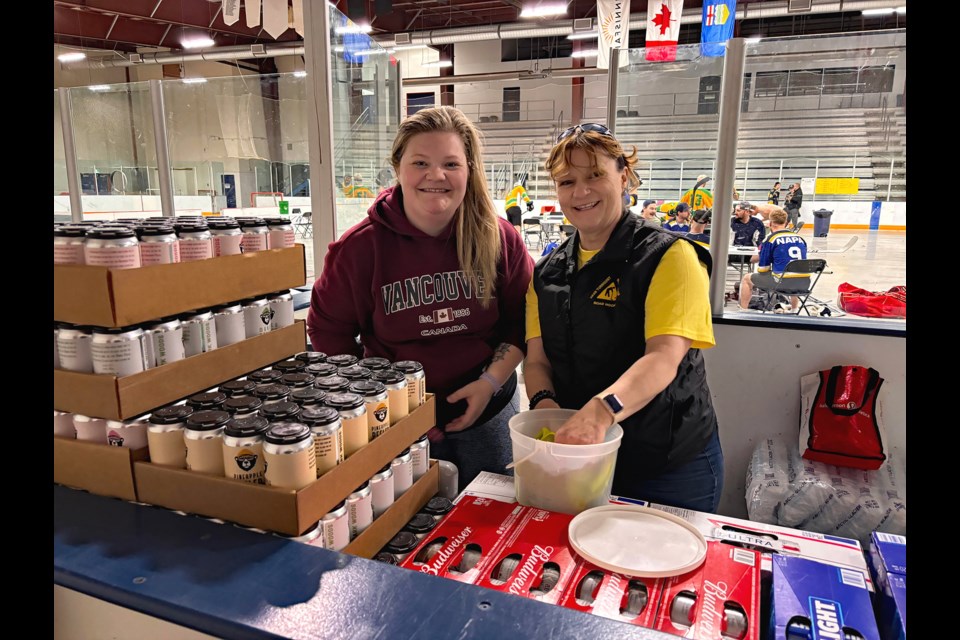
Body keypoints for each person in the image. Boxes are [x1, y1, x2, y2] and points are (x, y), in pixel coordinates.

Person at [306, 106, 534, 491]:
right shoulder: (360, 249)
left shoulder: (499, 238)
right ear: (398, 167)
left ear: (469, 170)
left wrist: (489, 383)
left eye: (450, 163)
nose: (436, 175)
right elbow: (329, 335)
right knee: (406, 533)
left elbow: (522, 319)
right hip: (395, 422)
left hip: (489, 407)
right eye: (420, 162)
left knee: (492, 527)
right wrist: (382, 408)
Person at [523, 123, 723, 512]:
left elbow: (663, 357)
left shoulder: (670, 256)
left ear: (624, 176)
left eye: (595, 175)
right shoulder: (546, 273)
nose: (580, 192)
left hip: (668, 462)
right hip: (585, 455)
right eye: (566, 182)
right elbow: (537, 360)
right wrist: (546, 405)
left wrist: (600, 412)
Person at [739, 209, 810, 312]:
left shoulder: (771, 239)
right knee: (794, 273)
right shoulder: (800, 239)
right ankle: (795, 309)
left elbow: (763, 270)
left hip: (782, 284)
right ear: (786, 223)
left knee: (746, 278)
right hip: (804, 283)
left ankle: (742, 311)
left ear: (771, 223)